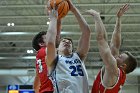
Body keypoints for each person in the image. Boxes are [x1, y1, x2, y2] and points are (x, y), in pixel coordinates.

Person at [86, 4, 137, 93]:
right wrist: (118, 19)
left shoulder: (113, 69)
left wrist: (97, 17)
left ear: (123, 65)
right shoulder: (119, 72)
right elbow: (115, 45)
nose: (117, 56)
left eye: (120, 56)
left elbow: (101, 39)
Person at [45, 0, 91, 93]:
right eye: (63, 41)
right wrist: (53, 19)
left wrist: (73, 9)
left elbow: (86, 32)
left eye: (70, 42)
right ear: (57, 49)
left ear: (72, 49)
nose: (67, 42)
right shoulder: (53, 60)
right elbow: (50, 42)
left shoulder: (79, 57)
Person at [32, 5, 62, 93]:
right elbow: (53, 40)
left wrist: (59, 18)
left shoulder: (40, 56)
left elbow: (35, 86)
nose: (51, 37)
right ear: (41, 43)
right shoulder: (43, 51)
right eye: (47, 37)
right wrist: (53, 18)